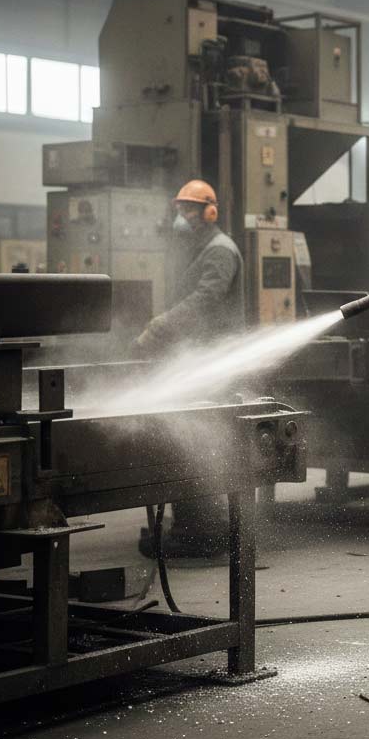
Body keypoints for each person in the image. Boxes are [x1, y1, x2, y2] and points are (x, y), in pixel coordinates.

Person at [136, 179, 245, 559]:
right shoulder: (198, 249)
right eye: (180, 209)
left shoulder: (219, 252)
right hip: (197, 356)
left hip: (213, 360)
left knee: (200, 441)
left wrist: (160, 326)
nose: (182, 217)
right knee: (188, 438)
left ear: (209, 212)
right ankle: (196, 526)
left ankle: (202, 531)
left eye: (189, 210)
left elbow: (204, 302)